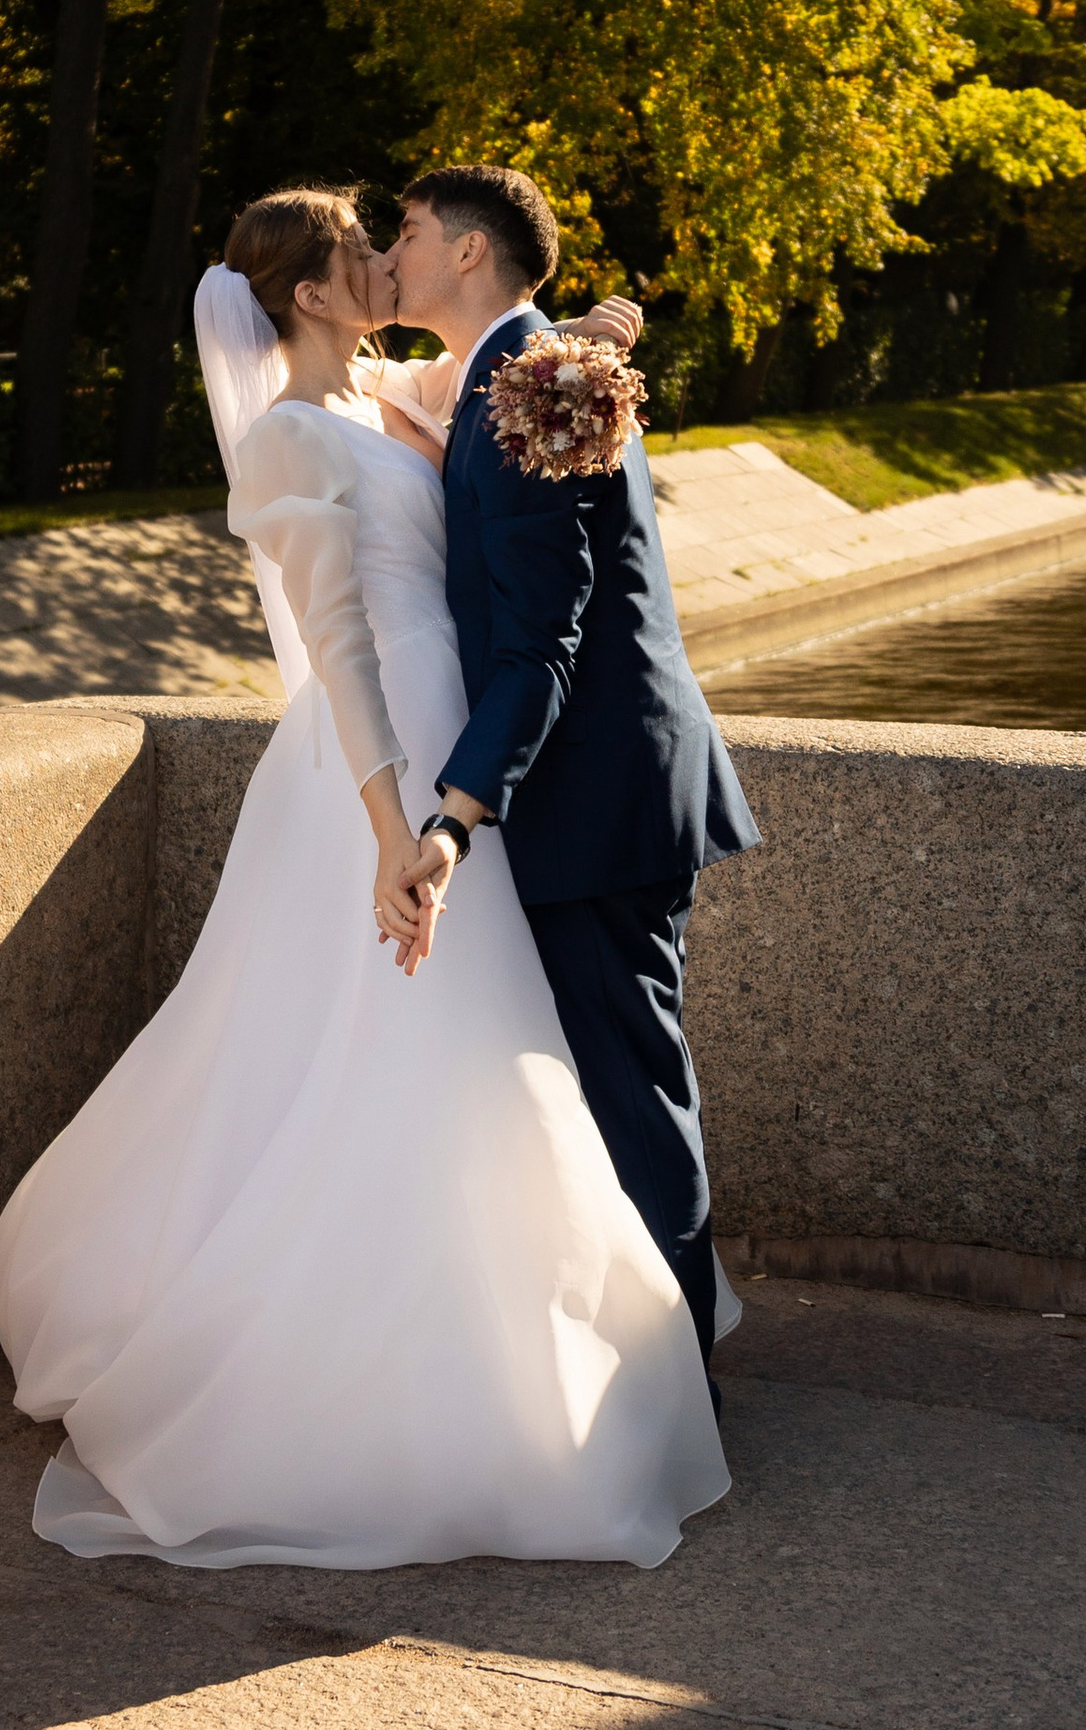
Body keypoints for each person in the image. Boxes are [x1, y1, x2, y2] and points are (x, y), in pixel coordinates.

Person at [0, 187, 730, 1569]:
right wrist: (402, 831)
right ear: (313, 295)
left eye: (402, 241)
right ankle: (435, 1371)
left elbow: (522, 371)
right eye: (359, 251)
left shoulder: (406, 393)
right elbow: (337, 646)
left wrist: (597, 331)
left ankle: (584, 1338)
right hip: (401, 773)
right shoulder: (284, 442)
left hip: (478, 764)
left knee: (510, 1065)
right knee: (410, 1065)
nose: (384, 259)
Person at [379, 165, 760, 1371]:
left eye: (409, 232)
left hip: (599, 798)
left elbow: (544, 639)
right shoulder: (526, 368)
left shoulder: (534, 383)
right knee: (611, 1081)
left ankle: (678, 1381)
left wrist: (452, 818)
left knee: (632, 1087)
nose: (393, 250)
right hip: (605, 781)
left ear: (470, 255)